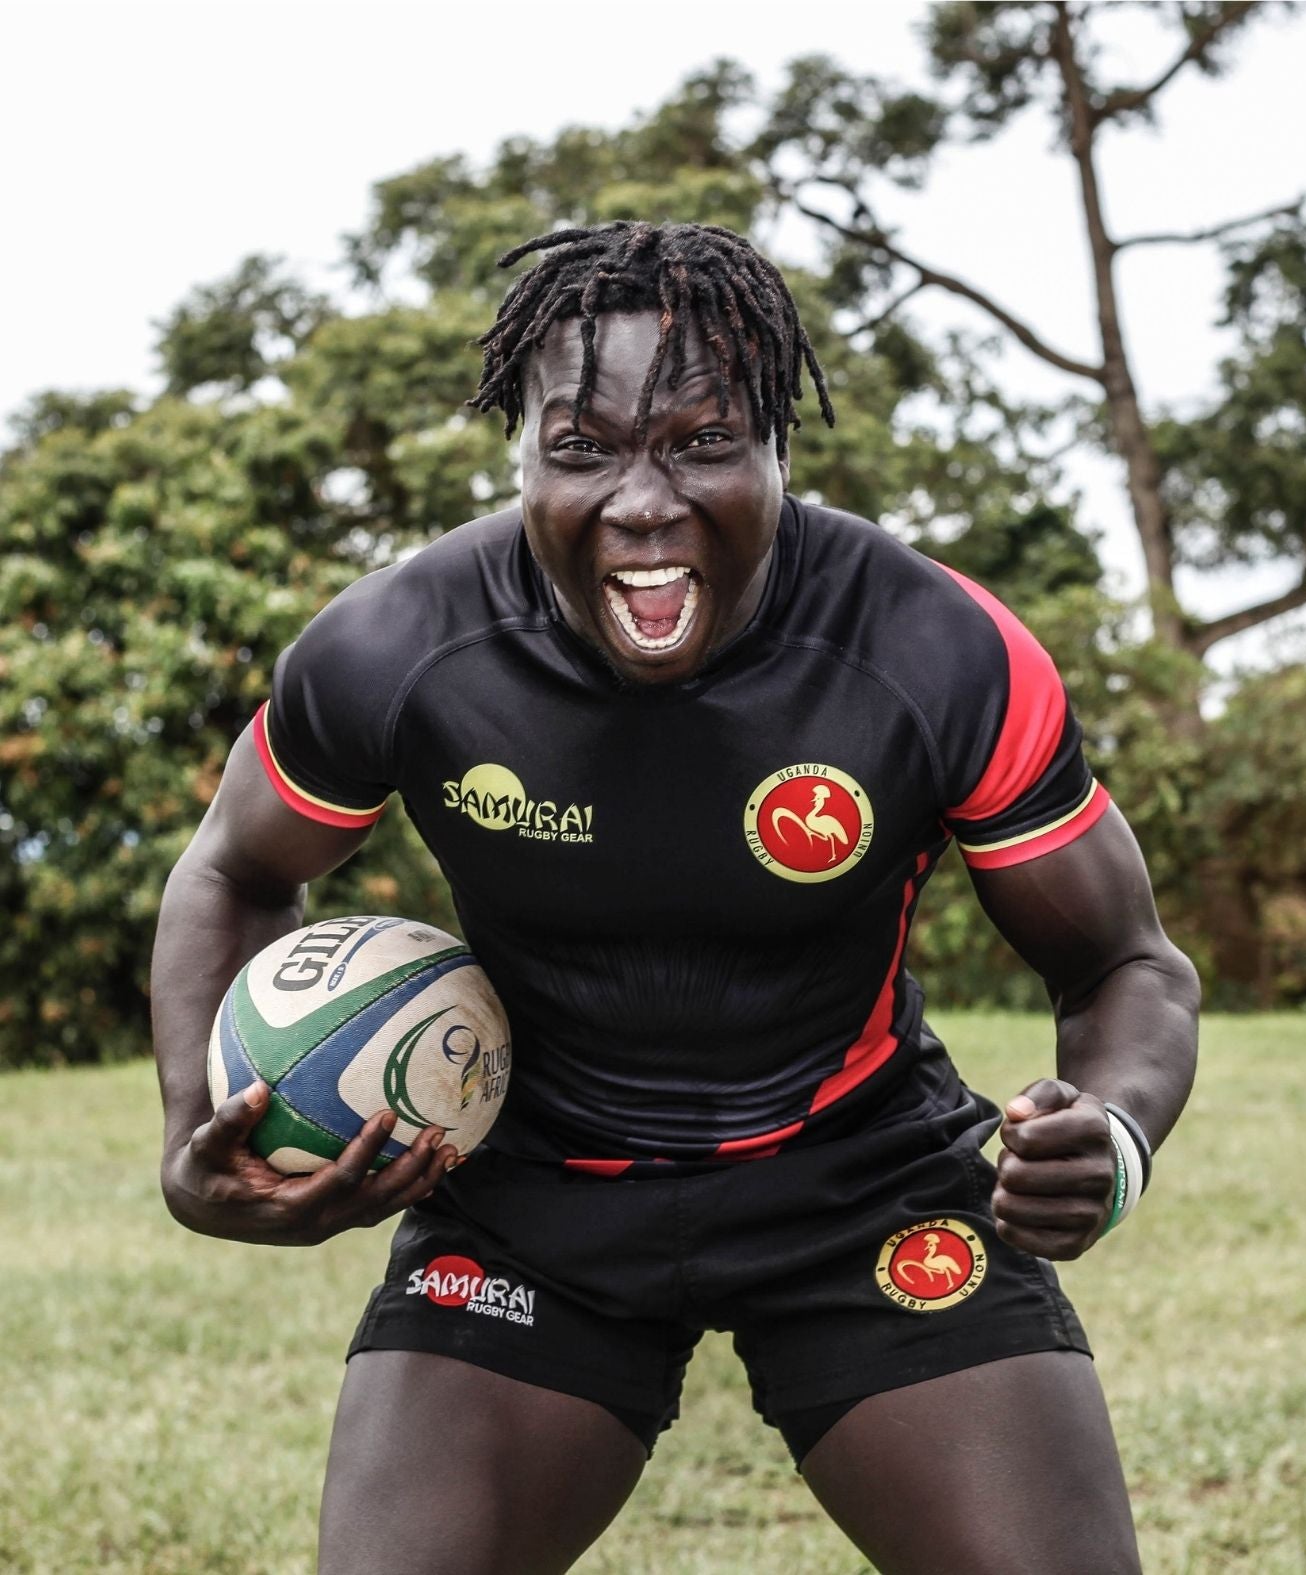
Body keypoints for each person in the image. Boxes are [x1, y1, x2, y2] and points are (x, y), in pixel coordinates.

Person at [153, 221, 1199, 1574]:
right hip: (534, 1196)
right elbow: (235, 867)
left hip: (860, 1183)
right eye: (582, 448)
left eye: (703, 440)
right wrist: (202, 1127)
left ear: (778, 447)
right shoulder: (398, 647)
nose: (643, 502)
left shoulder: (938, 649)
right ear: (521, 454)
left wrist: (1111, 1131)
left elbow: (1125, 962)